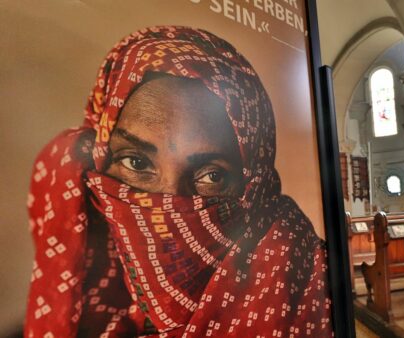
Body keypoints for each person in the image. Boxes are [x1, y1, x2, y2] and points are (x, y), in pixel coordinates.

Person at [25, 26, 332, 337]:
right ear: (101, 160)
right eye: (137, 162)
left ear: (254, 182)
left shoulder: (313, 286)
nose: (169, 200)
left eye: (211, 175)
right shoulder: (84, 316)